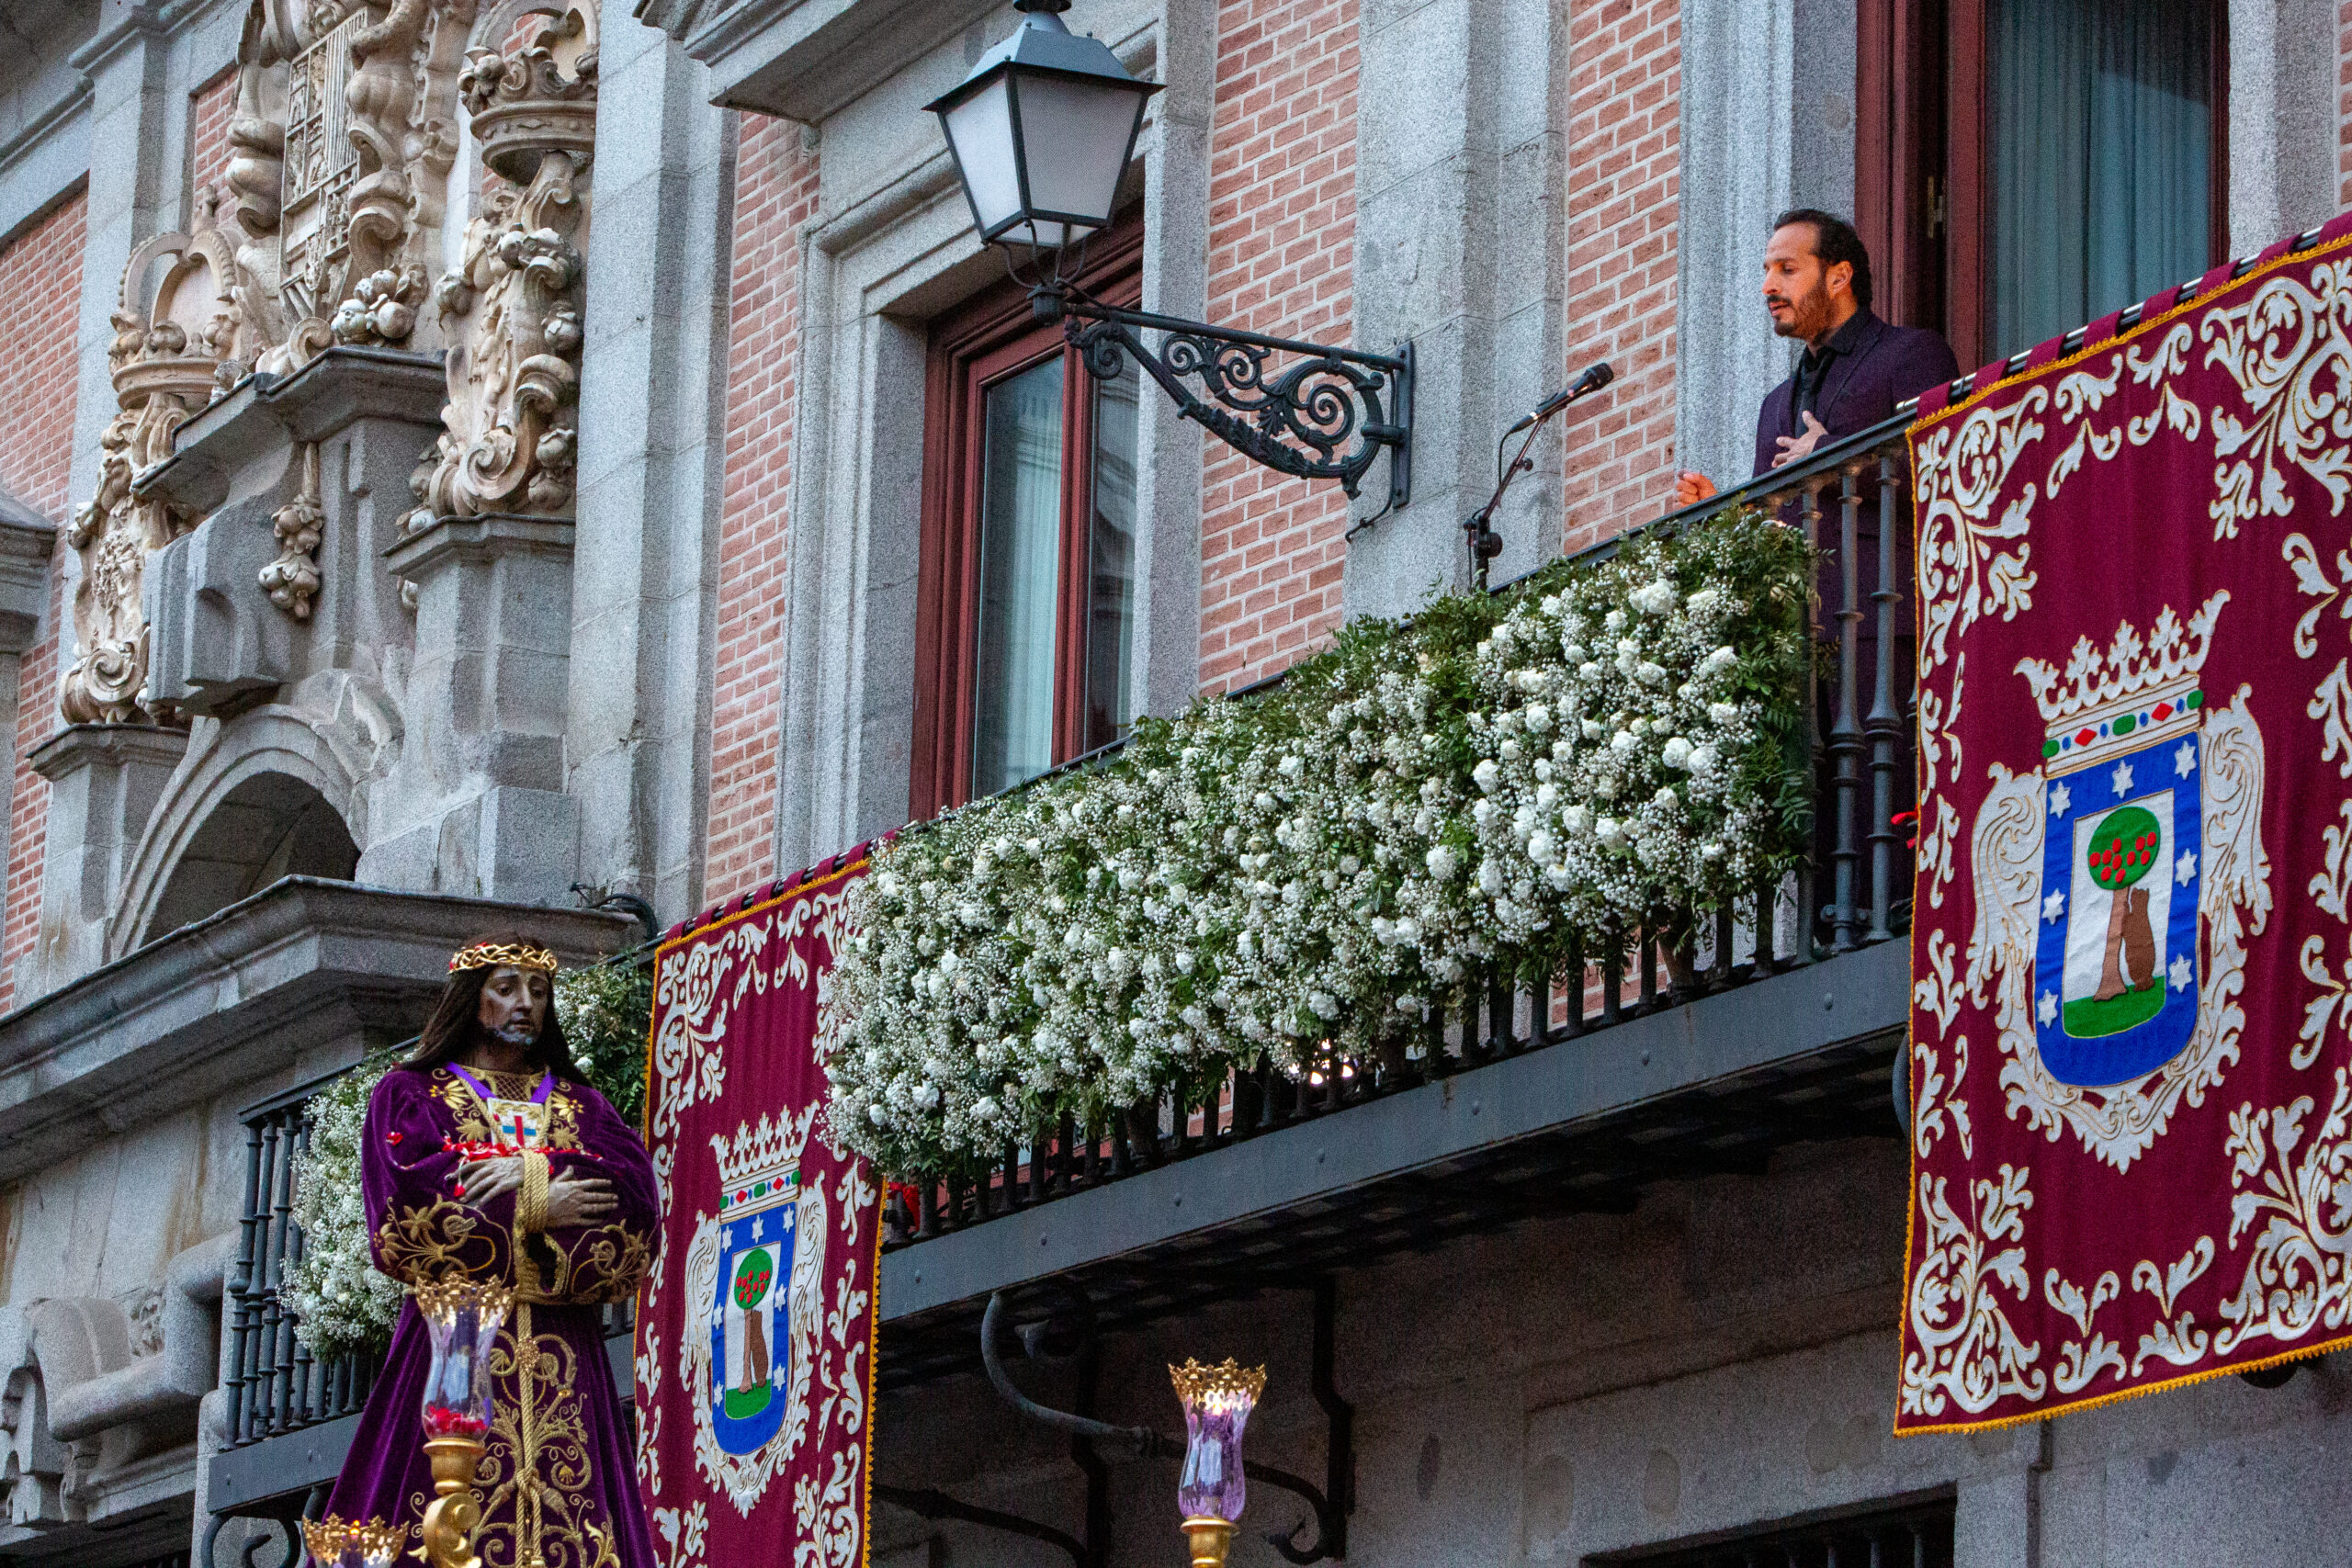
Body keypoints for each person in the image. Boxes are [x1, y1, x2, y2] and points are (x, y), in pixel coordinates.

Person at [322, 935, 659, 1568]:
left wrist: (529, 1171)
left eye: (537, 990)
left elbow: (634, 1213)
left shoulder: (585, 1109)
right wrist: (543, 1202)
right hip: (455, 1347)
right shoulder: (411, 1097)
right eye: (506, 987)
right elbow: (407, 1212)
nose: (524, 1003)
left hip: (565, 1366)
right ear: (472, 999)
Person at [1675, 209, 1959, 505]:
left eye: (1787, 269)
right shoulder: (1774, 404)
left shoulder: (1912, 353)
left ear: (1839, 277)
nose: (1767, 286)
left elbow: (1941, 467)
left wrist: (1828, 454)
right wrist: (1720, 512)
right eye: (1767, 270)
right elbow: (1770, 522)